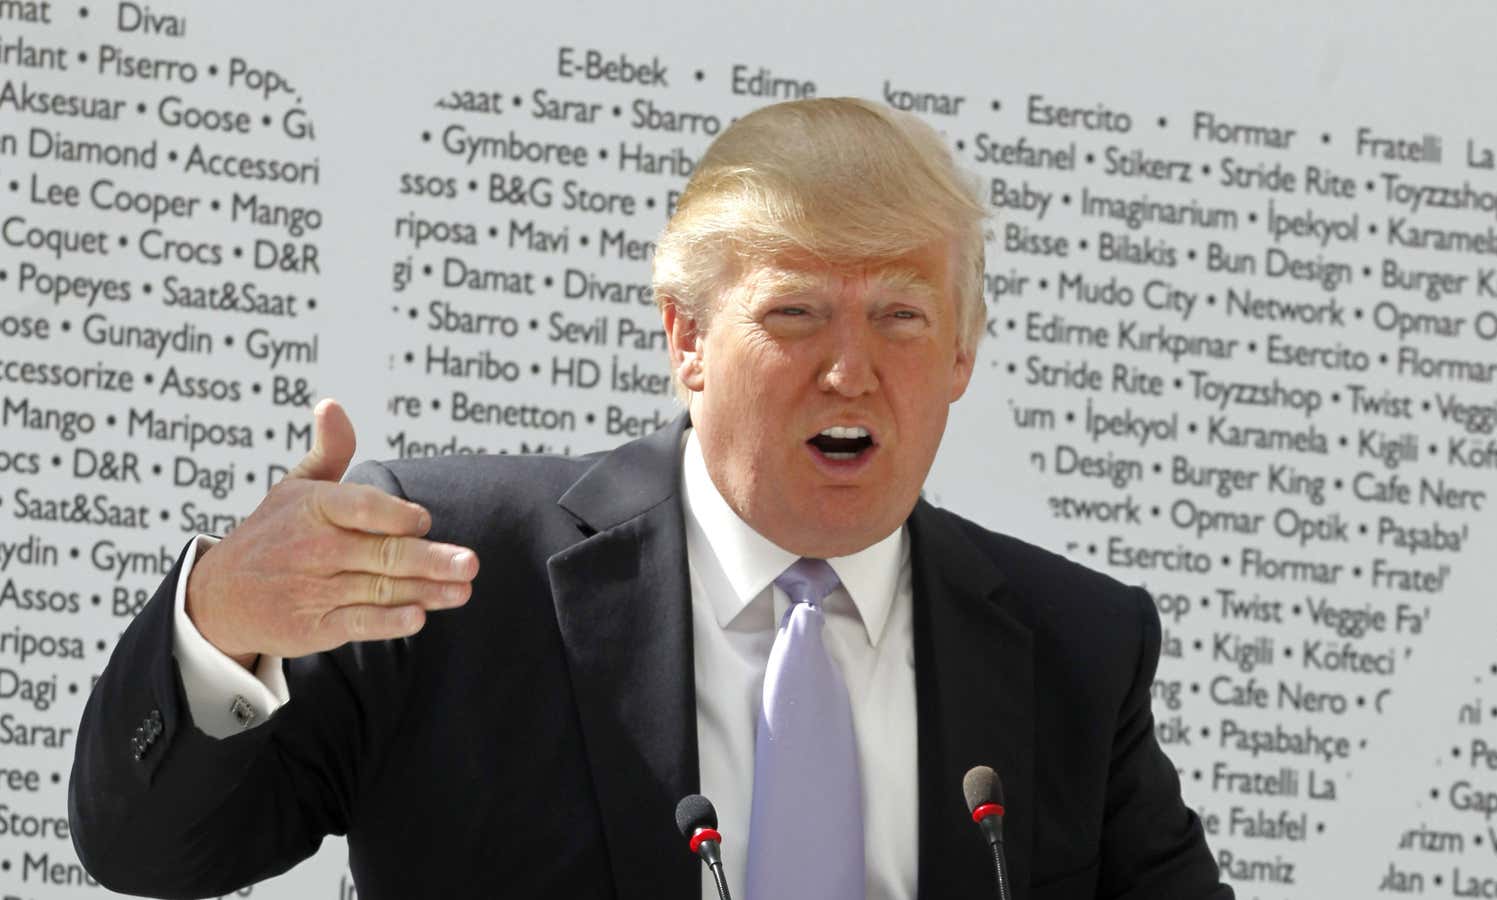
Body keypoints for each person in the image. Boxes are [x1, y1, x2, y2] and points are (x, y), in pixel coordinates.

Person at [70, 98, 1232, 899]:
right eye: (795, 314)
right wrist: (220, 621)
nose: (851, 368)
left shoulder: (1074, 644)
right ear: (686, 338)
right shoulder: (452, 571)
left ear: (964, 355)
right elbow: (150, 849)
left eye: (901, 316)